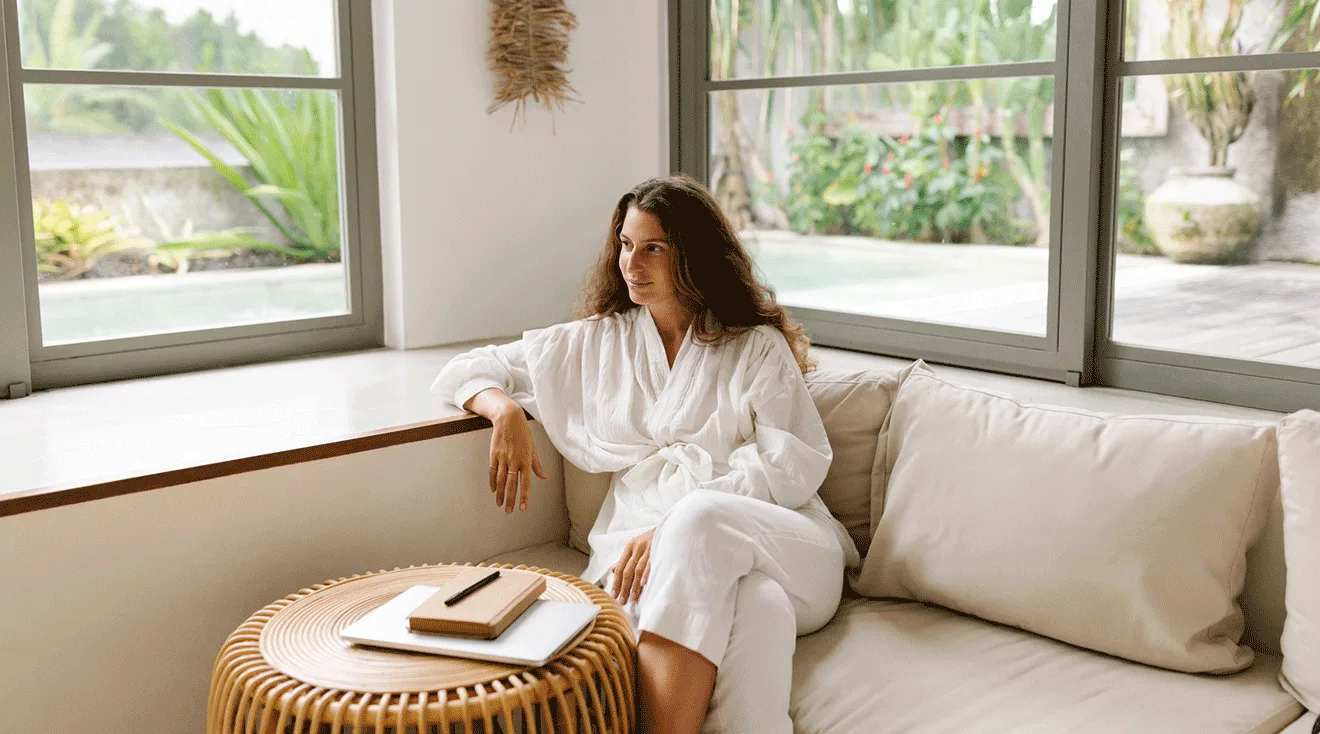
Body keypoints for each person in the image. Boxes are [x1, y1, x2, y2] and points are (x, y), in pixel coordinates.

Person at [431, 174, 858, 734]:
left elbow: (792, 464)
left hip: (786, 543)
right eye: (627, 246)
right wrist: (505, 412)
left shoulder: (754, 346)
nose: (632, 264)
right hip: (645, 561)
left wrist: (677, 527)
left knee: (701, 520)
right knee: (759, 608)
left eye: (654, 247)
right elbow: (466, 369)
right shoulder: (600, 341)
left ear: (695, 256)